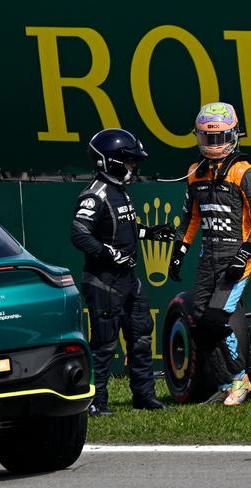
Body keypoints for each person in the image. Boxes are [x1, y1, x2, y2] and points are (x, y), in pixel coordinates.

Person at [168, 102, 251, 406]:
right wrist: (180, 250)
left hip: (235, 257)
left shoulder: (245, 172)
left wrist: (244, 254)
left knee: (214, 320)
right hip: (207, 257)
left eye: (219, 139)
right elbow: (191, 217)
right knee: (199, 325)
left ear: (234, 135)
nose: (213, 146)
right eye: (207, 139)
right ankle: (227, 384)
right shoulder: (194, 173)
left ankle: (240, 381)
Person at [71, 128, 175, 416]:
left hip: (129, 279)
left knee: (141, 336)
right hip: (103, 281)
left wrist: (150, 233)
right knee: (104, 344)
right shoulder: (95, 195)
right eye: (128, 160)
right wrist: (110, 254)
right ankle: (95, 401)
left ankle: (144, 397)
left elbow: (122, 230)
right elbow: (79, 234)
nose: (133, 166)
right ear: (110, 161)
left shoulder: (120, 191)